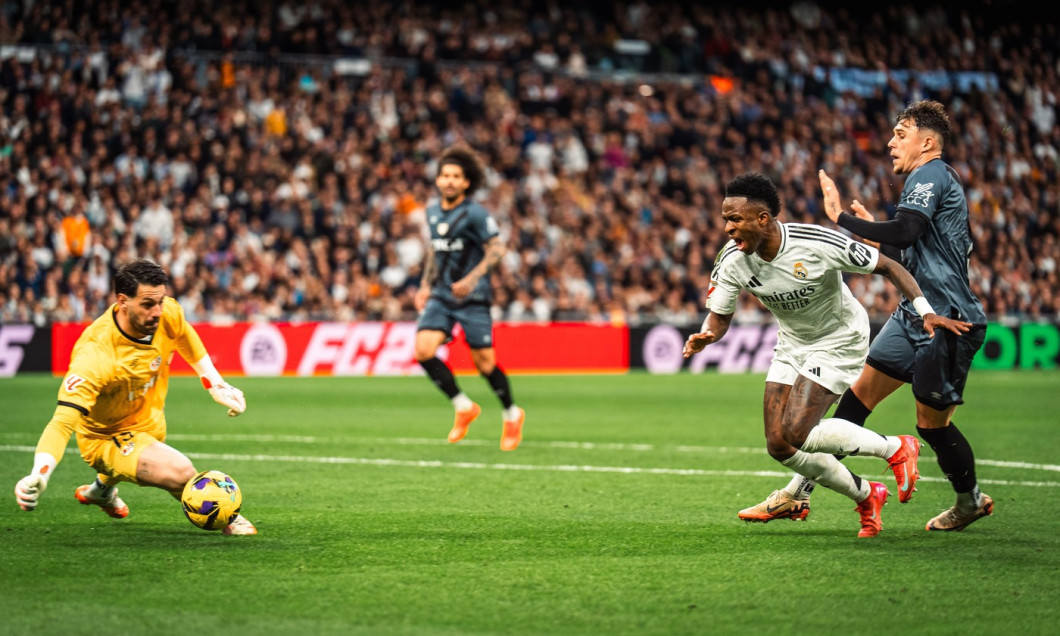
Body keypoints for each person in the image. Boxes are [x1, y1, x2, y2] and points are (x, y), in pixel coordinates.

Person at [741, 100, 993, 532]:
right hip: (912, 314)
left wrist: (841, 220)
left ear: (927, 141)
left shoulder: (931, 173)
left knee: (932, 427)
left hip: (947, 319)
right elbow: (907, 249)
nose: (890, 143)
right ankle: (795, 495)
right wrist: (876, 233)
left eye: (901, 133)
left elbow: (906, 231)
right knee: (854, 405)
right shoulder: (920, 181)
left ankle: (970, 501)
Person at [683, 172, 971, 537]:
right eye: (725, 218)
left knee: (797, 431)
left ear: (763, 218)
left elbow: (890, 266)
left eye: (735, 219)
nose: (727, 227)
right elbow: (720, 315)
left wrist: (925, 309)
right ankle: (867, 495)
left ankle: (896, 447)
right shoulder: (733, 259)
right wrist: (709, 335)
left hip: (841, 338)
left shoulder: (815, 243)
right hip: (792, 342)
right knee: (779, 444)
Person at [13, 258, 257, 535]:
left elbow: (183, 333)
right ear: (122, 301)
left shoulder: (166, 312)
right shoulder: (95, 356)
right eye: (148, 304)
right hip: (106, 437)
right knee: (180, 471)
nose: (157, 312)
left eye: (160, 301)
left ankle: (100, 491)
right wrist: (39, 474)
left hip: (149, 417)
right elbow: (62, 423)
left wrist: (214, 383)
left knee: (150, 450)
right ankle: (224, 515)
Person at [414, 147, 525, 451]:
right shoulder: (432, 211)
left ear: (466, 182)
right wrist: (425, 285)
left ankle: (512, 414)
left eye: (455, 177)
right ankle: (463, 406)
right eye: (445, 176)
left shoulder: (476, 213)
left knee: (485, 364)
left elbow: (498, 248)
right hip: (441, 296)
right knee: (423, 350)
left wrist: (473, 278)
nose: (449, 181)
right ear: (438, 180)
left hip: (473, 298)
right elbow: (435, 251)